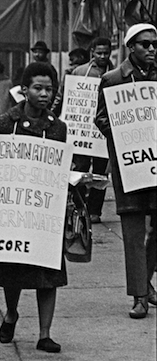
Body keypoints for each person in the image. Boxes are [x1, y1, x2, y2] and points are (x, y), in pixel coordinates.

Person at [0, 62, 68, 353]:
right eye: (38, 88)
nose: (44, 94)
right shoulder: (5, 123)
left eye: (49, 89)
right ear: (25, 90)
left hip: (43, 213)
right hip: (11, 213)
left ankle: (45, 334)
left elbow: (60, 169)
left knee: (47, 275)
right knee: (12, 271)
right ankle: (11, 313)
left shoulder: (58, 128)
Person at [94, 23, 157, 319]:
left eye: (154, 45)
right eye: (145, 44)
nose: (151, 49)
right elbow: (101, 119)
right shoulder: (112, 79)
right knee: (132, 230)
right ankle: (140, 296)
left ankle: (144, 280)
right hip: (129, 164)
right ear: (131, 47)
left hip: (155, 164)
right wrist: (125, 132)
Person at [68, 37, 114, 223]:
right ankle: (80, 207)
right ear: (92, 52)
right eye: (98, 53)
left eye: (105, 53)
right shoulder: (79, 72)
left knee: (101, 174)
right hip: (82, 130)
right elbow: (66, 97)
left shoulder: (115, 74)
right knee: (81, 169)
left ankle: (95, 211)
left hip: (102, 133)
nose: (102, 56)